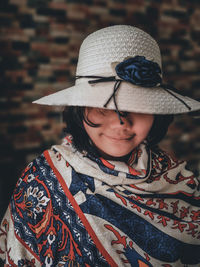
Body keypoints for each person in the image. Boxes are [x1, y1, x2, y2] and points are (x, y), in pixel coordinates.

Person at [0, 25, 200, 267]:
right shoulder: (41, 182)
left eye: (140, 106)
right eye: (104, 107)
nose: (121, 123)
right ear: (79, 109)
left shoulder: (181, 181)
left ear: (157, 114)